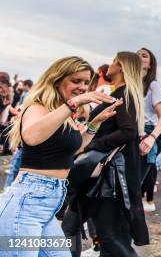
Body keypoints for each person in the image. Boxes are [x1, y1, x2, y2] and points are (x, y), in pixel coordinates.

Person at [0, 57, 117, 256]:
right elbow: (31, 136)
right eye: (76, 81)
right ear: (57, 79)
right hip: (26, 205)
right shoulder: (38, 108)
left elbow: (77, 147)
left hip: (48, 206)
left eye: (86, 82)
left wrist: (95, 123)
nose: (82, 87)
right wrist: (74, 103)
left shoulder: (63, 113)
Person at [64, 52, 149, 256]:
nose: (109, 65)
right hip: (97, 177)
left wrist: (91, 146)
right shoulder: (121, 93)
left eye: (113, 61)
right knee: (70, 228)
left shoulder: (123, 95)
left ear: (120, 66)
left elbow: (128, 131)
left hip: (106, 178)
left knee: (111, 238)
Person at [137, 48, 161, 212]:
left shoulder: (153, 85)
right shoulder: (132, 85)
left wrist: (152, 137)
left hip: (149, 134)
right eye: (137, 54)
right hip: (132, 134)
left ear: (150, 65)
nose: (139, 56)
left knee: (137, 182)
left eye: (144, 55)